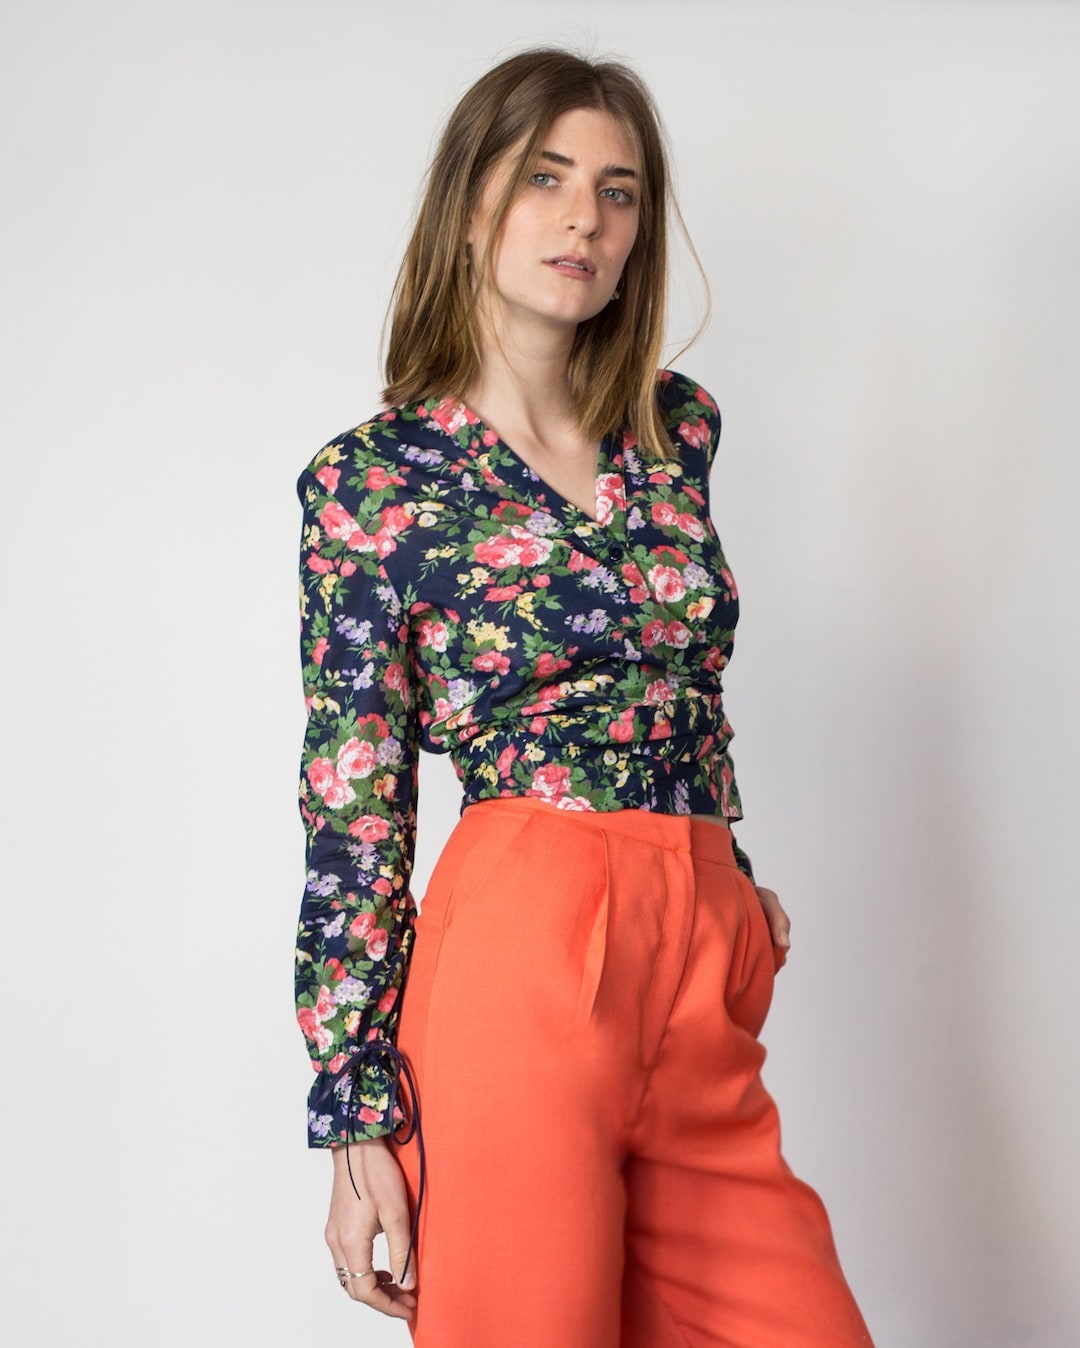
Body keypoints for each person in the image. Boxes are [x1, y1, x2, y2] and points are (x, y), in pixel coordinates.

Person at [294, 46, 874, 1347]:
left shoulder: (676, 432)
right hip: (525, 945)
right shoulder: (374, 483)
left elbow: (679, 674)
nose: (585, 220)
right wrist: (355, 1110)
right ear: (471, 205)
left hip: (698, 950)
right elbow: (353, 802)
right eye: (545, 178)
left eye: (619, 193)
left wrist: (726, 868)